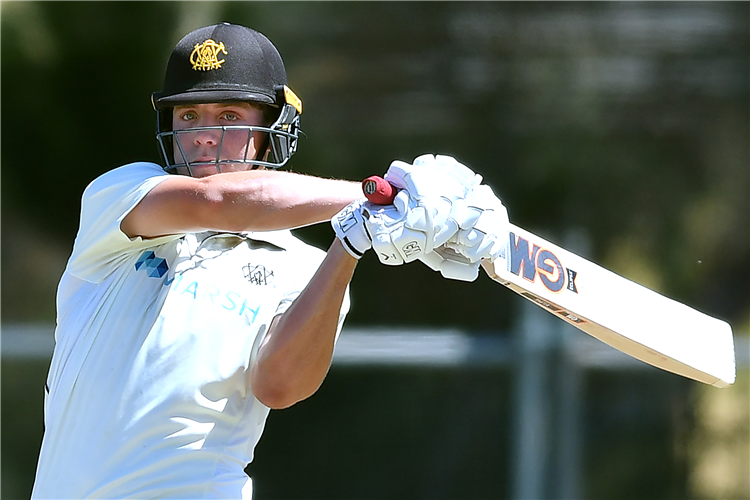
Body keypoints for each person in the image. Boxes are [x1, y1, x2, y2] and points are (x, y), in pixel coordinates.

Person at [31, 23, 507, 499]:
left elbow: (280, 386)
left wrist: (350, 245)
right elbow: (214, 201)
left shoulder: (303, 269)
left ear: (272, 130)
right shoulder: (120, 199)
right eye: (189, 115)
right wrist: (382, 197)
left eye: (229, 114)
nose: (203, 134)